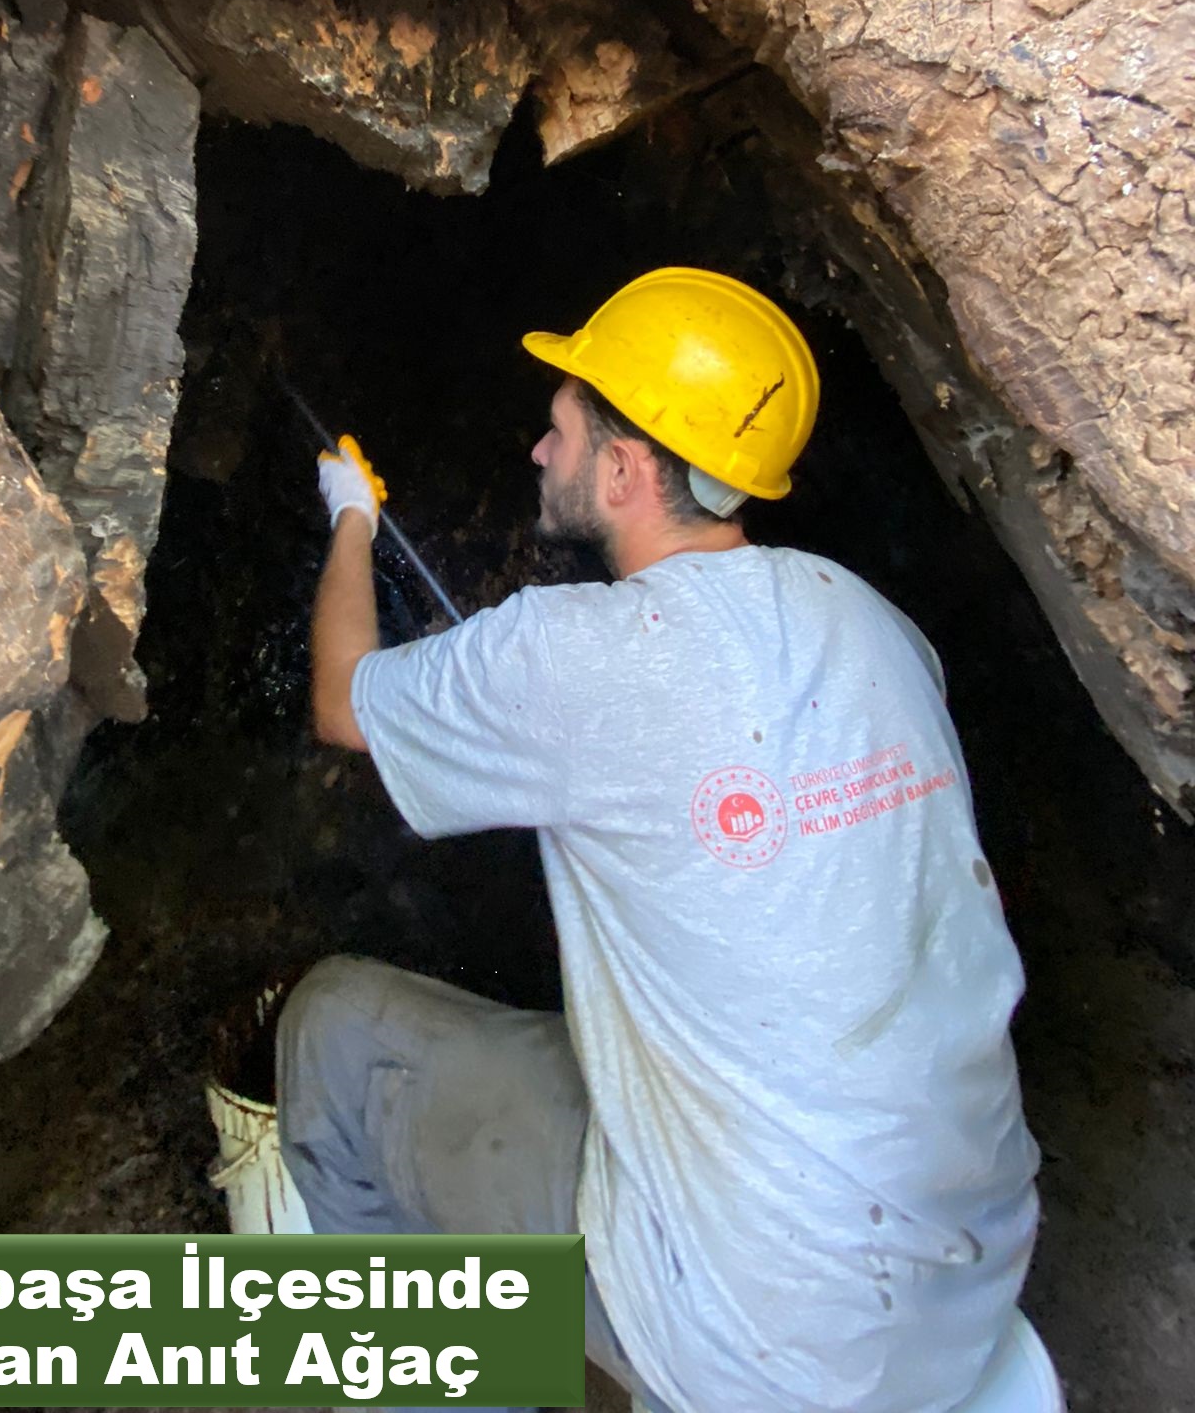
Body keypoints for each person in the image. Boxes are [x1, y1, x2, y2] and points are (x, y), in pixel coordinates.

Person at [277, 269, 1040, 1413]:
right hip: (966, 1271)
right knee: (581, 1047)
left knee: (330, 1028)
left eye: (562, 428)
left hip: (754, 1340)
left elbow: (344, 699)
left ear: (627, 471)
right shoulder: (874, 623)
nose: (539, 449)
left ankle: (447, 1375)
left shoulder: (574, 653)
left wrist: (352, 516)